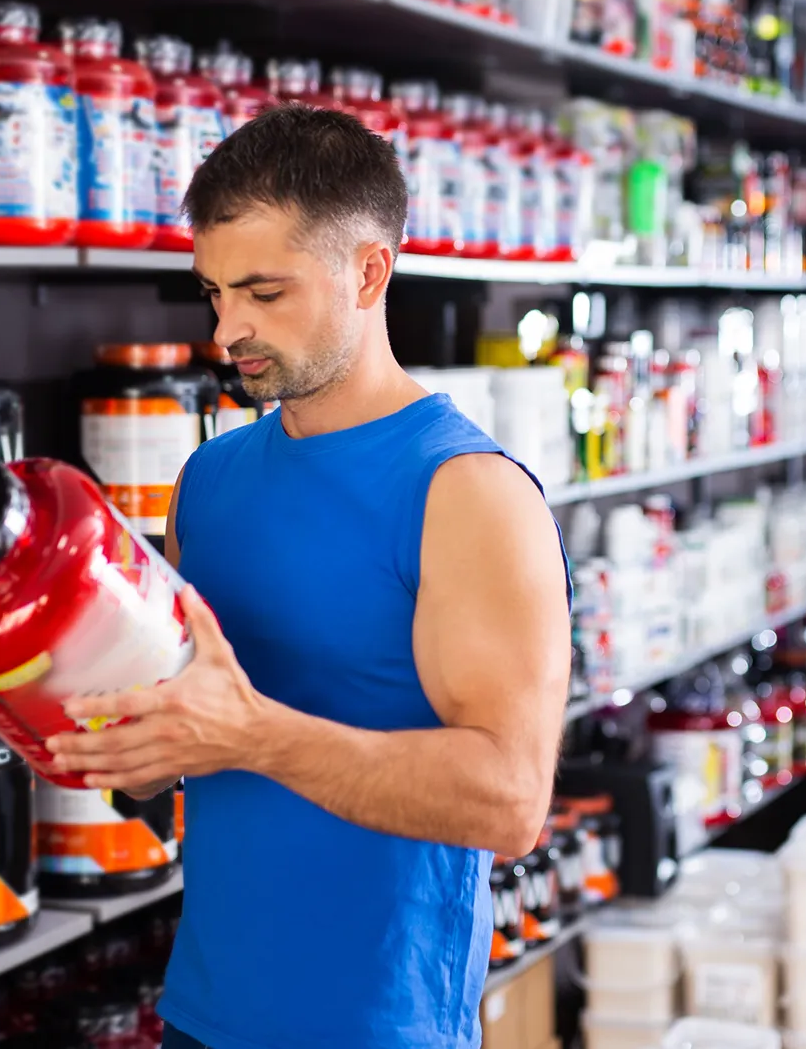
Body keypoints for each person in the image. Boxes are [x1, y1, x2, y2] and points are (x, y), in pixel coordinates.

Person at [44, 104, 573, 1048]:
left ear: (369, 270)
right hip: (201, 1010)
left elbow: (509, 800)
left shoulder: (469, 494)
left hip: (375, 1027)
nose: (227, 330)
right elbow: (184, 729)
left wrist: (256, 739)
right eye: (213, 293)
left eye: (264, 293)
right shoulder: (211, 477)